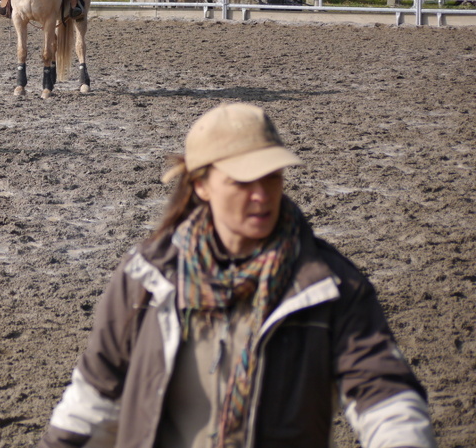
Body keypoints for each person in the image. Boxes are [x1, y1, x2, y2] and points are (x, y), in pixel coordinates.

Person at [36, 102, 436, 448]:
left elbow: (386, 401)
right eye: (242, 181)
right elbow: (93, 402)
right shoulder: (145, 278)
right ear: (201, 185)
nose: (261, 195)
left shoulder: (330, 286)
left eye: (272, 176)